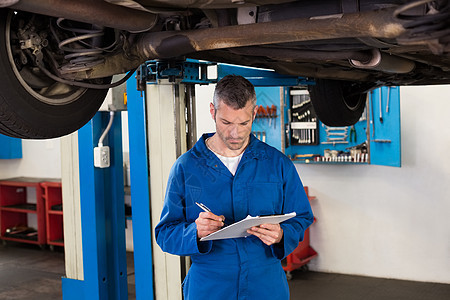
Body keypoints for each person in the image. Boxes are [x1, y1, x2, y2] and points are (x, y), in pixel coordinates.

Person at [155, 75, 314, 300]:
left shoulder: (277, 164)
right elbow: (165, 233)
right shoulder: (186, 167)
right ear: (213, 112)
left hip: (265, 283)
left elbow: (302, 217)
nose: (235, 133)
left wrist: (281, 234)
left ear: (255, 113)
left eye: (244, 123)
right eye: (226, 122)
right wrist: (195, 232)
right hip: (210, 285)